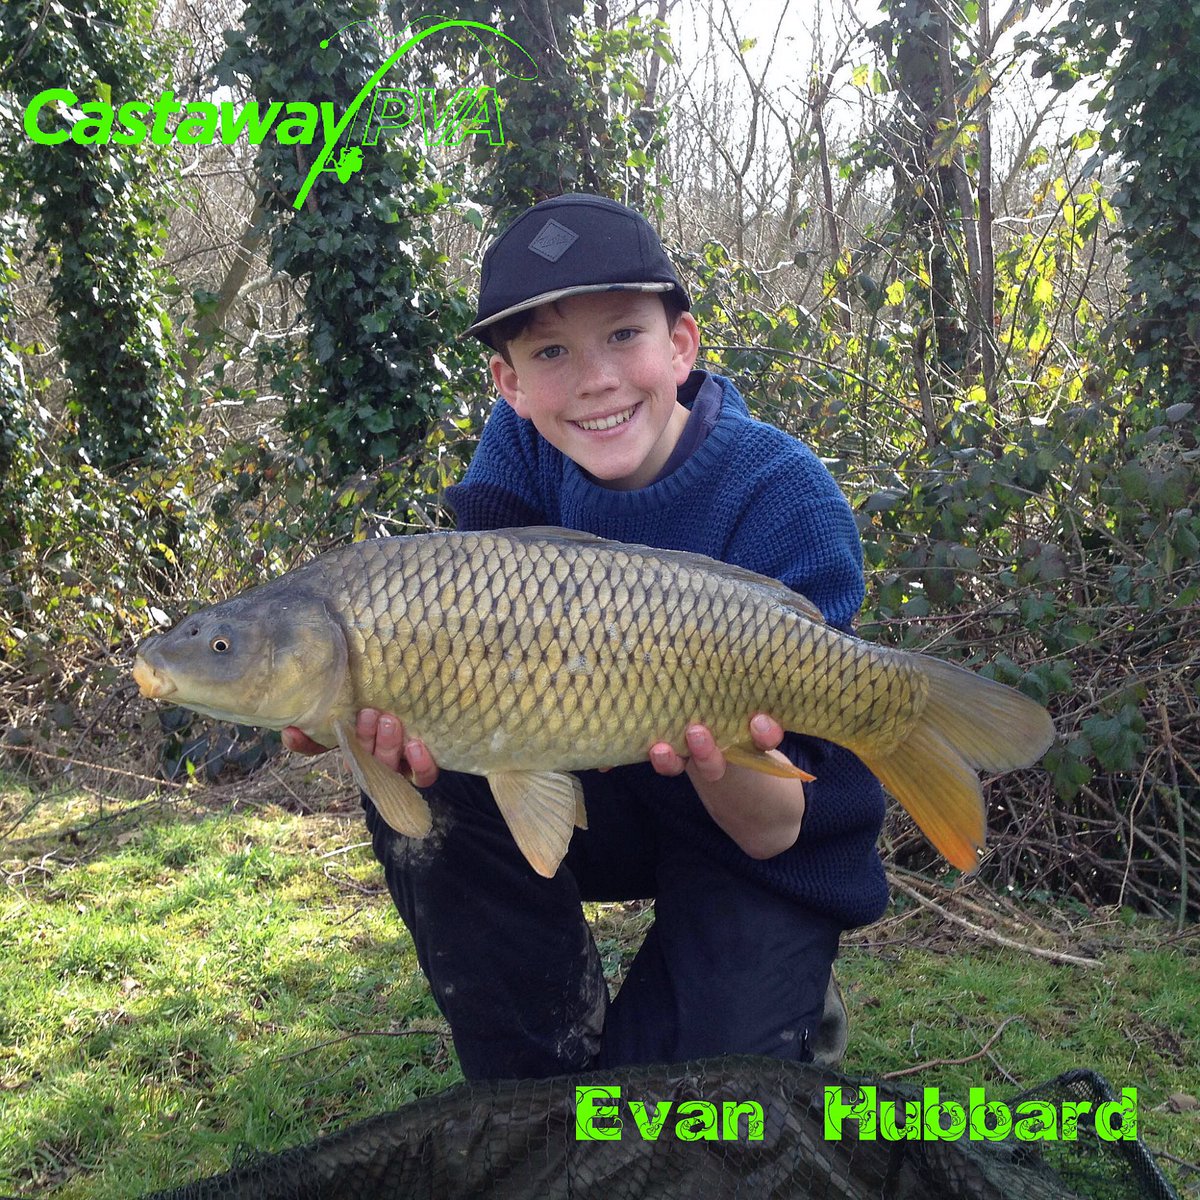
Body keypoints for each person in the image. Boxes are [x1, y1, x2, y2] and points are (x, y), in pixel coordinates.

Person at [285, 194, 887, 1080]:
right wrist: (370, 712)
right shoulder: (519, 453)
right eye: (551, 353)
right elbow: (464, 652)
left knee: (687, 1115)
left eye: (622, 335)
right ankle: (536, 1072)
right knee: (433, 779)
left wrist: (724, 760)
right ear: (510, 384)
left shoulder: (782, 495)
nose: (595, 379)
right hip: (600, 777)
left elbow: (776, 826)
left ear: (680, 346)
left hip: (763, 831)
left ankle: (775, 979)